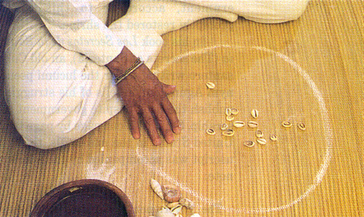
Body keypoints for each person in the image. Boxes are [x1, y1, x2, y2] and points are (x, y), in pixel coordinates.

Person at [2, 0, 309, 149]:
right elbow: (64, 15)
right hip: (62, 6)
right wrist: (124, 64)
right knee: (41, 122)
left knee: (286, 3)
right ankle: (146, 20)